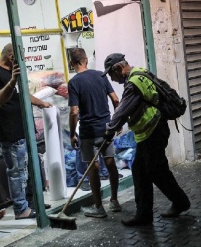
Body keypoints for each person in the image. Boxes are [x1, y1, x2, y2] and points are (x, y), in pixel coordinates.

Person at [102, 53, 190, 226]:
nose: (112, 79)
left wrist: (109, 131)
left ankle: (179, 202)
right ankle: (144, 214)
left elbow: (122, 110)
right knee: (141, 171)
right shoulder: (139, 73)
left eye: (111, 75)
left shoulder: (134, 83)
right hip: (151, 131)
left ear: (119, 68)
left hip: (153, 131)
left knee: (156, 171)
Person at [0, 43, 52, 220]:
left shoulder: (10, 72)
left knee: (32, 167)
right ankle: (21, 209)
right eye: (18, 56)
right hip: (10, 132)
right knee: (17, 172)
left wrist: (42, 103)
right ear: (10, 56)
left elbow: (21, 94)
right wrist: (13, 80)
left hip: (24, 130)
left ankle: (32, 202)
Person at [68, 48, 121, 218]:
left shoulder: (74, 82)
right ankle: (114, 200)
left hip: (88, 131)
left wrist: (72, 134)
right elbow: (115, 99)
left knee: (93, 168)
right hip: (106, 127)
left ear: (72, 63)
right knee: (111, 162)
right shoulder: (101, 75)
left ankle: (99, 207)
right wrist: (117, 121)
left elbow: (74, 112)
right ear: (86, 60)